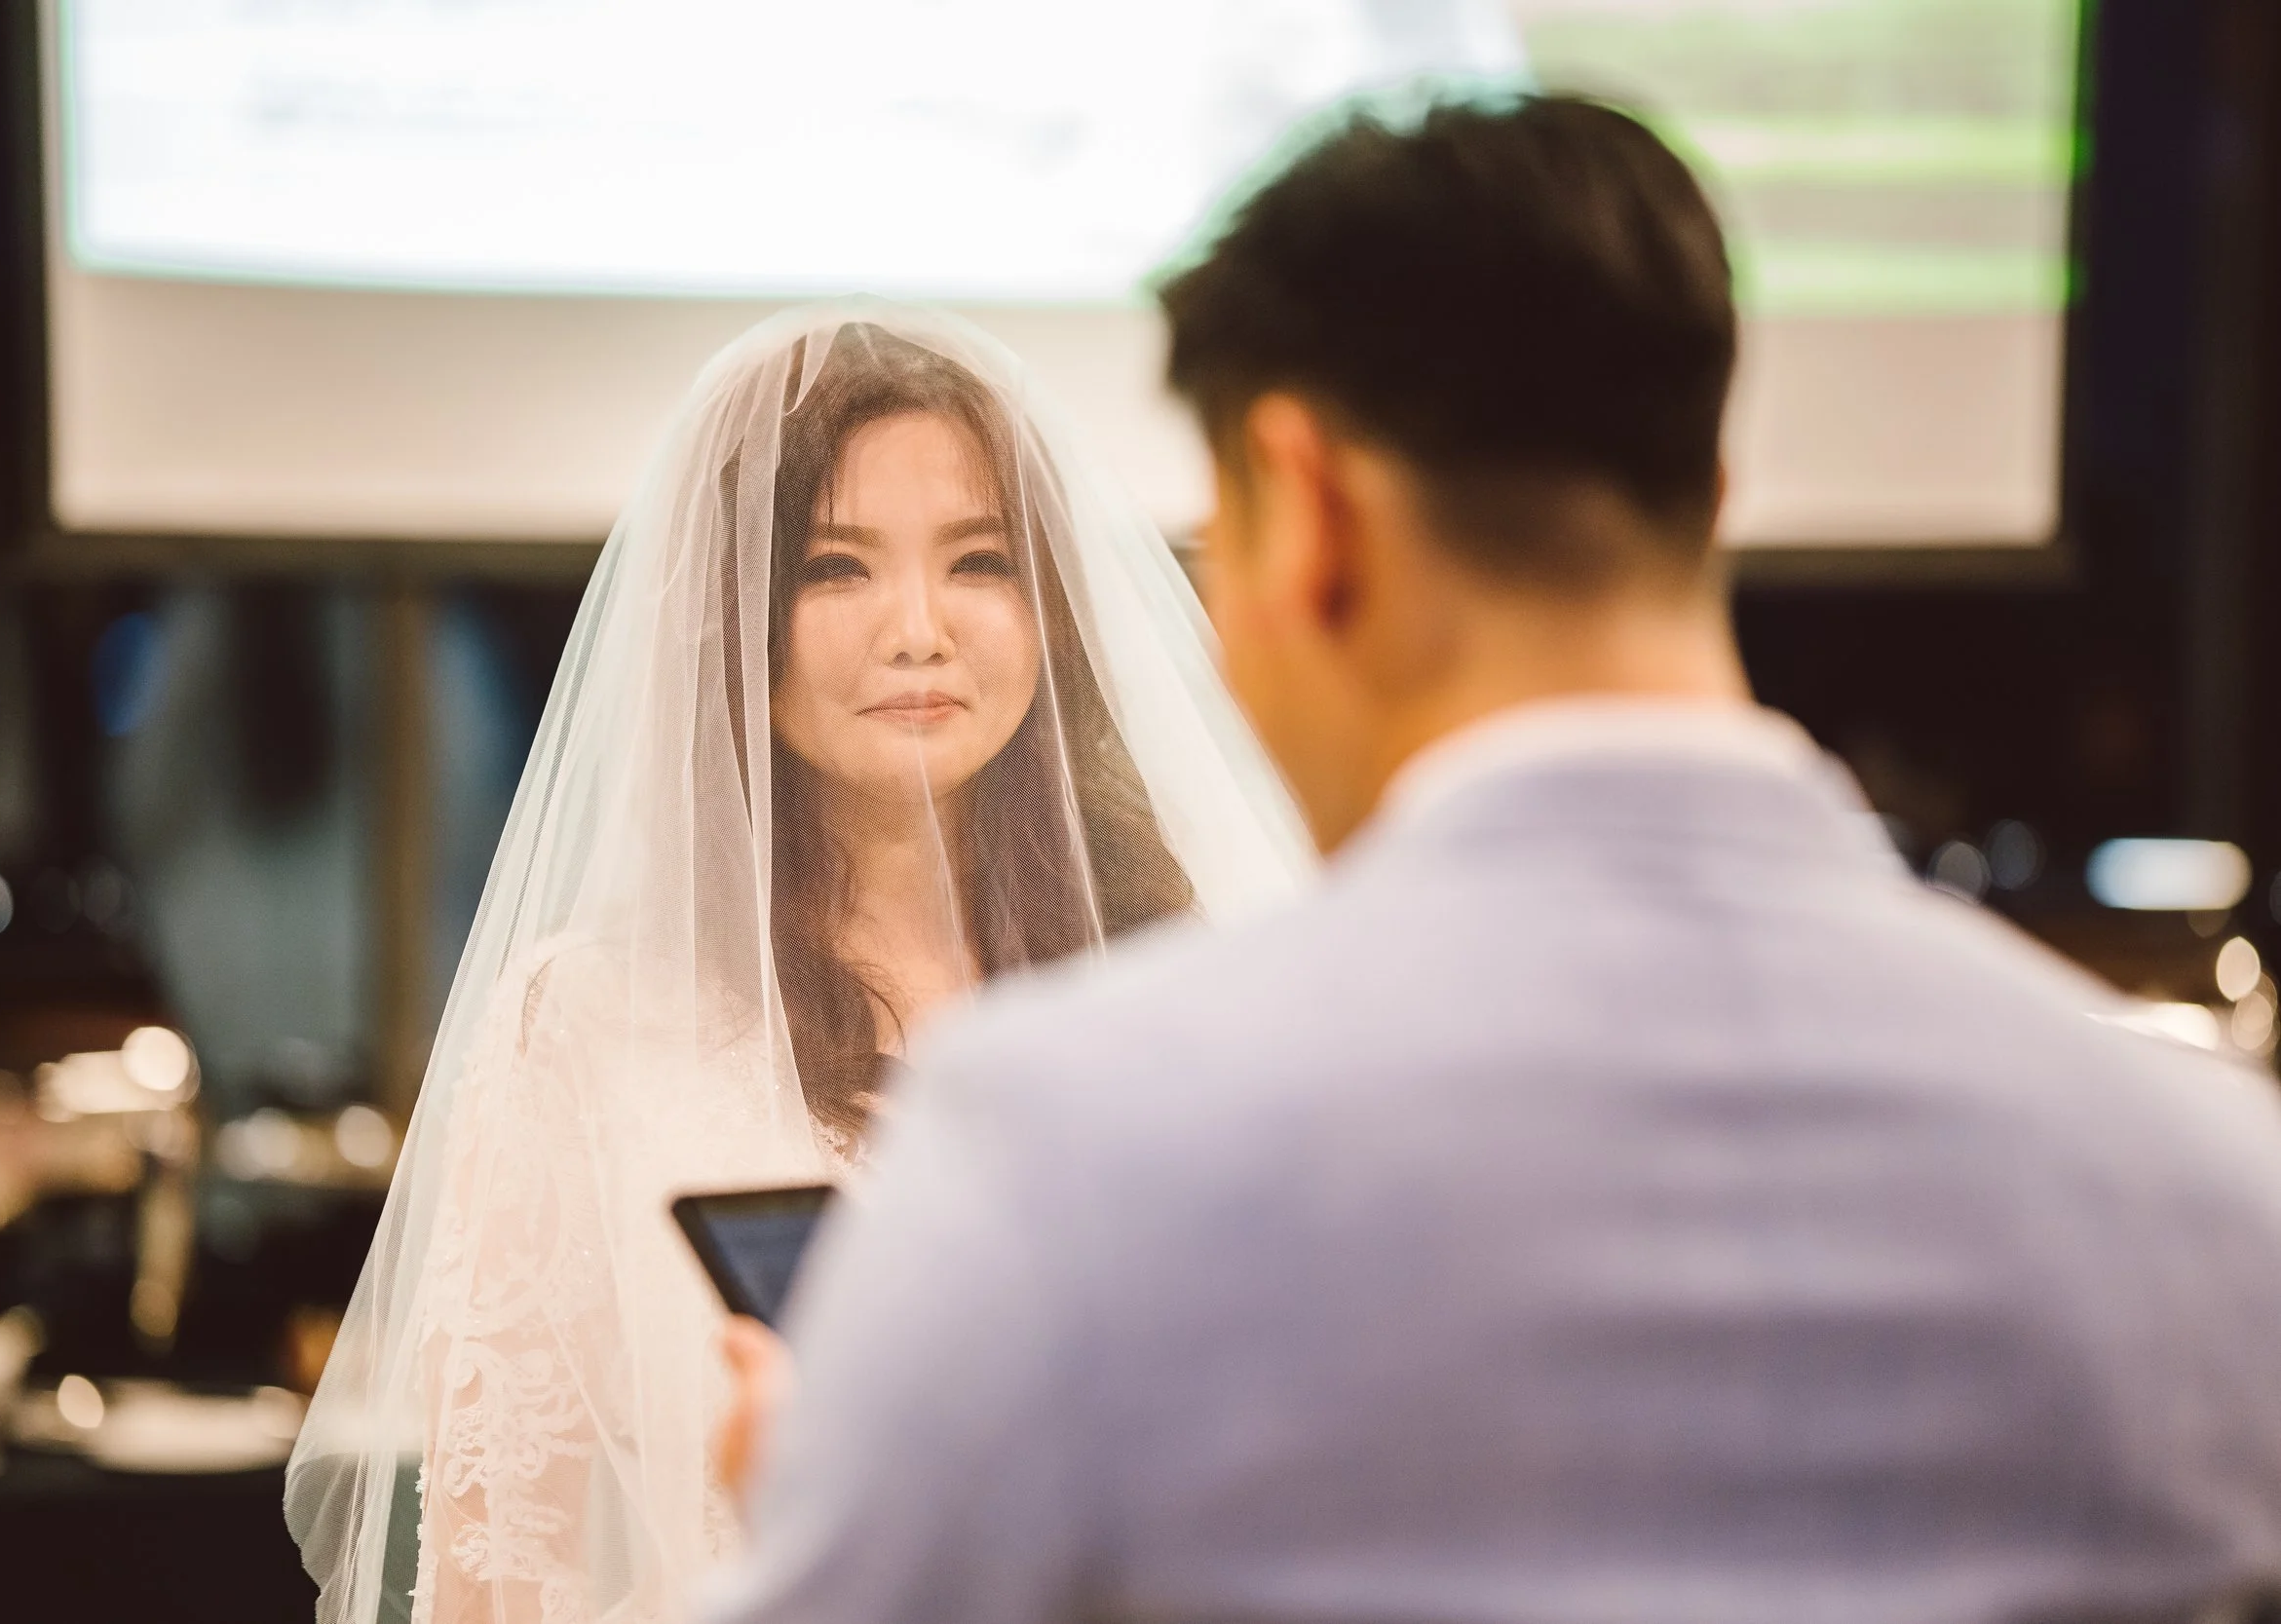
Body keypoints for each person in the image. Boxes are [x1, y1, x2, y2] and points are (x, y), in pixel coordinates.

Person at [703, 95, 2281, 1624]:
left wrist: (839, 1498)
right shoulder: (2207, 1184)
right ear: (1712, 498)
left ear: (1311, 518)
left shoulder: (1054, 1153)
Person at [284, 305, 1314, 1624]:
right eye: (837, 568)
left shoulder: (1189, 985)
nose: (919, 628)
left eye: (980, 562)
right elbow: (498, 1573)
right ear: (738, 616)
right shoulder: (588, 1029)